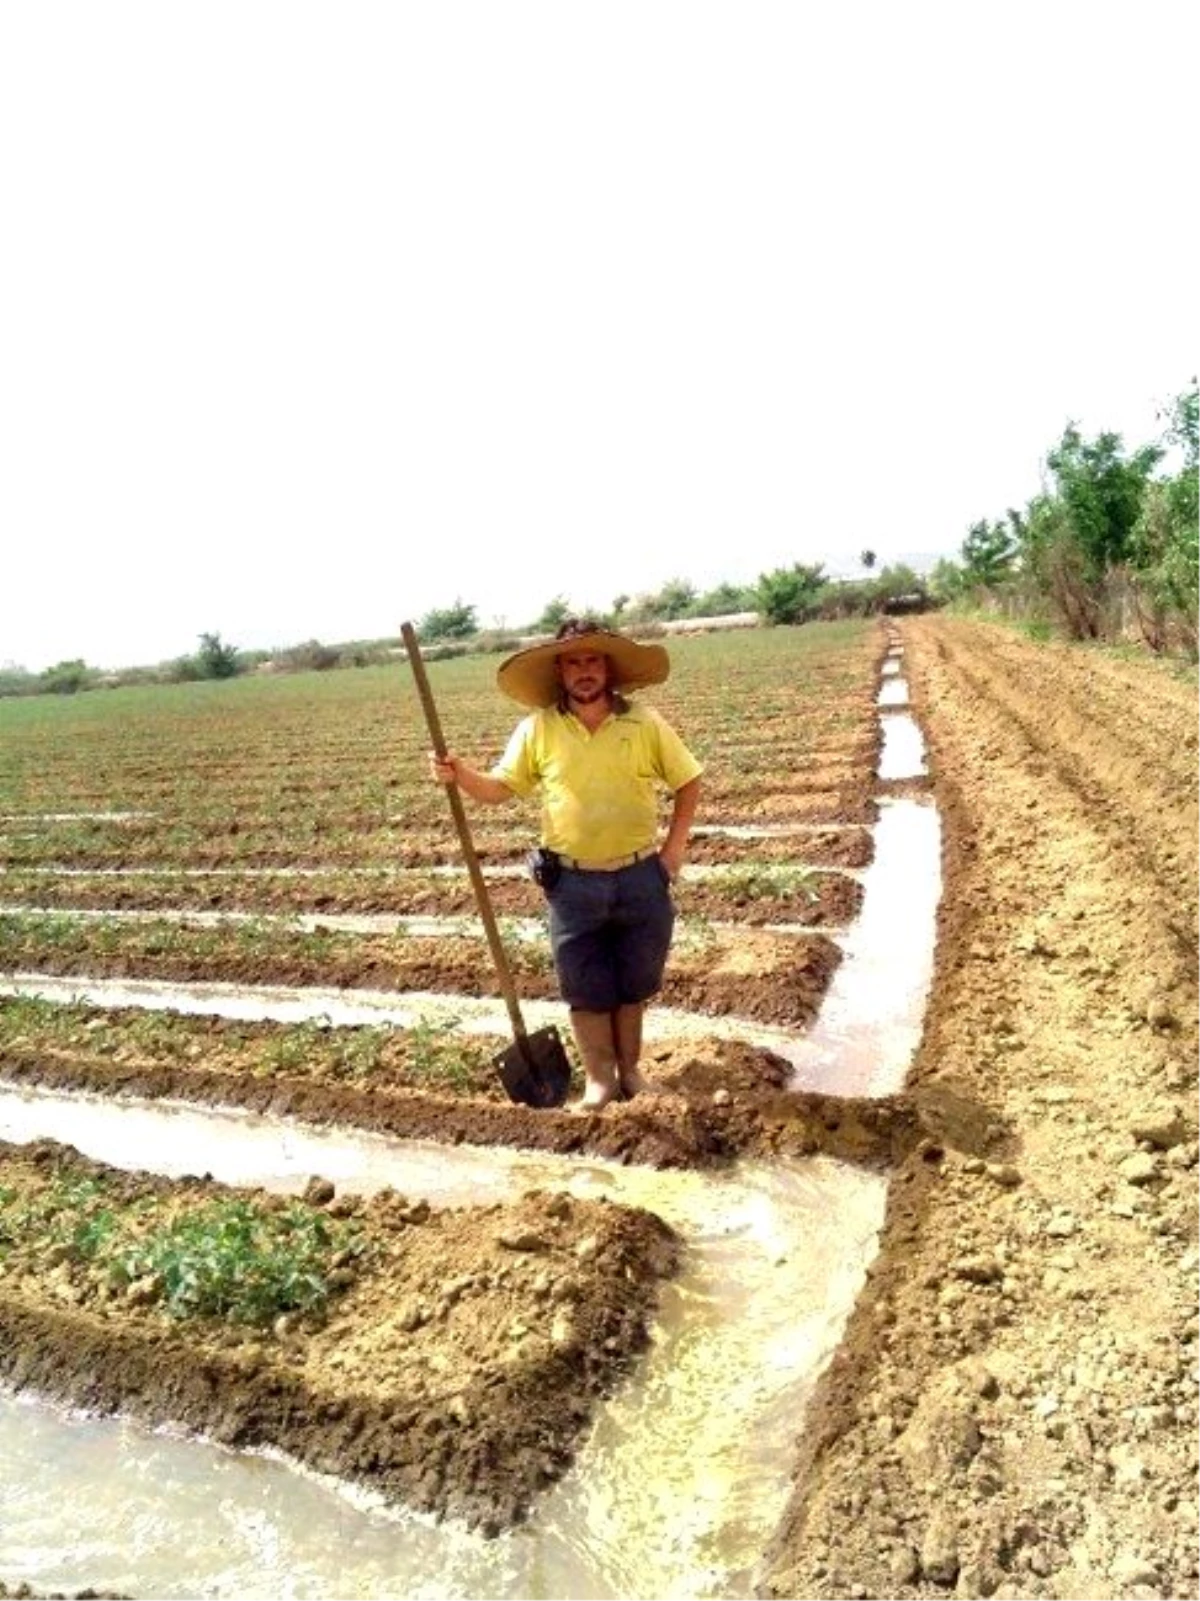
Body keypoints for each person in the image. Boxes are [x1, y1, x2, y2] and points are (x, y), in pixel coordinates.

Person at [429, 617, 703, 1110]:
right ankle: (600, 1081)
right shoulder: (537, 729)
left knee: (633, 983)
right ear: (560, 670)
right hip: (572, 883)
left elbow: (689, 781)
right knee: (585, 986)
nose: (584, 670)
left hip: (642, 875)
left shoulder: (643, 722)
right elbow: (499, 789)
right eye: (574, 661)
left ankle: (632, 1073)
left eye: (592, 659)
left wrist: (673, 850)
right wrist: (461, 774)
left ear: (607, 668)